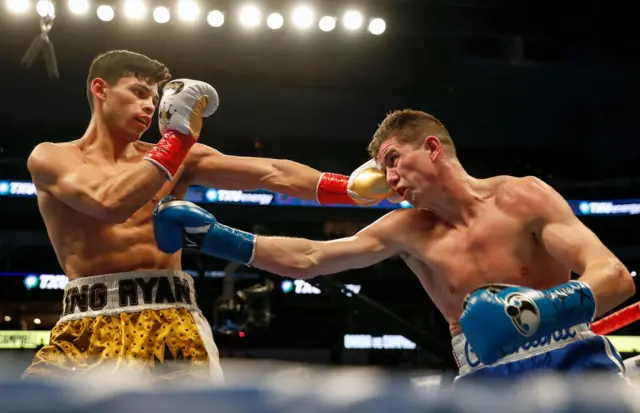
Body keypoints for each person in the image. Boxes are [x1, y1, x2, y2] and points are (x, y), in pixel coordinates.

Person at [154, 109, 636, 384]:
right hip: (489, 380)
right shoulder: (406, 231)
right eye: (383, 171)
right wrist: (215, 237)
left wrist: (536, 311)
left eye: (393, 160)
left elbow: (613, 278)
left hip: (575, 360)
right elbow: (311, 258)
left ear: (430, 147)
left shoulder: (522, 195)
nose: (389, 180)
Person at [22, 49, 397, 382]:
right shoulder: (53, 157)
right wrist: (177, 141)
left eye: (154, 98)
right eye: (138, 93)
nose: (150, 107)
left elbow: (272, 172)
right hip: (85, 323)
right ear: (100, 89)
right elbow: (109, 203)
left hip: (170, 319)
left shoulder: (174, 156)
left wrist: (348, 189)